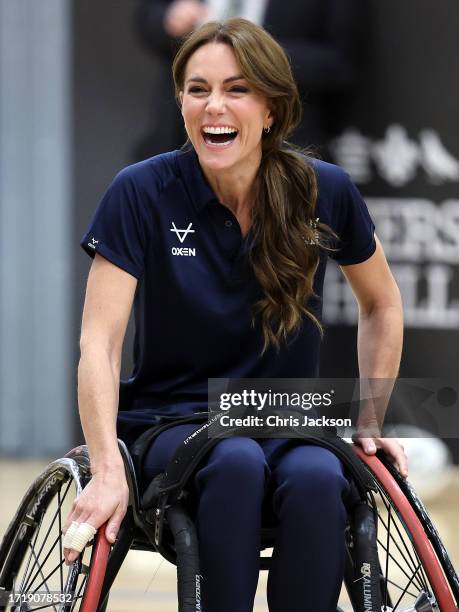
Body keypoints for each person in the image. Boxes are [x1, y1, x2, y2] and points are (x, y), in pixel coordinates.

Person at [64, 18, 406, 612]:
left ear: (271, 109)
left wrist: (370, 417)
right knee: (236, 459)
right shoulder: (141, 190)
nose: (213, 106)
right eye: (198, 89)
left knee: (322, 478)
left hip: (287, 417)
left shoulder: (324, 190)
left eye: (237, 89)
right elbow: (99, 341)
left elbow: (382, 302)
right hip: (172, 421)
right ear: (181, 102)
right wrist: (105, 468)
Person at [134, 0, 368, 160]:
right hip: (178, 143)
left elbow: (342, 62)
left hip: (281, 149)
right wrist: (168, 19)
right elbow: (148, 15)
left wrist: (254, 57)